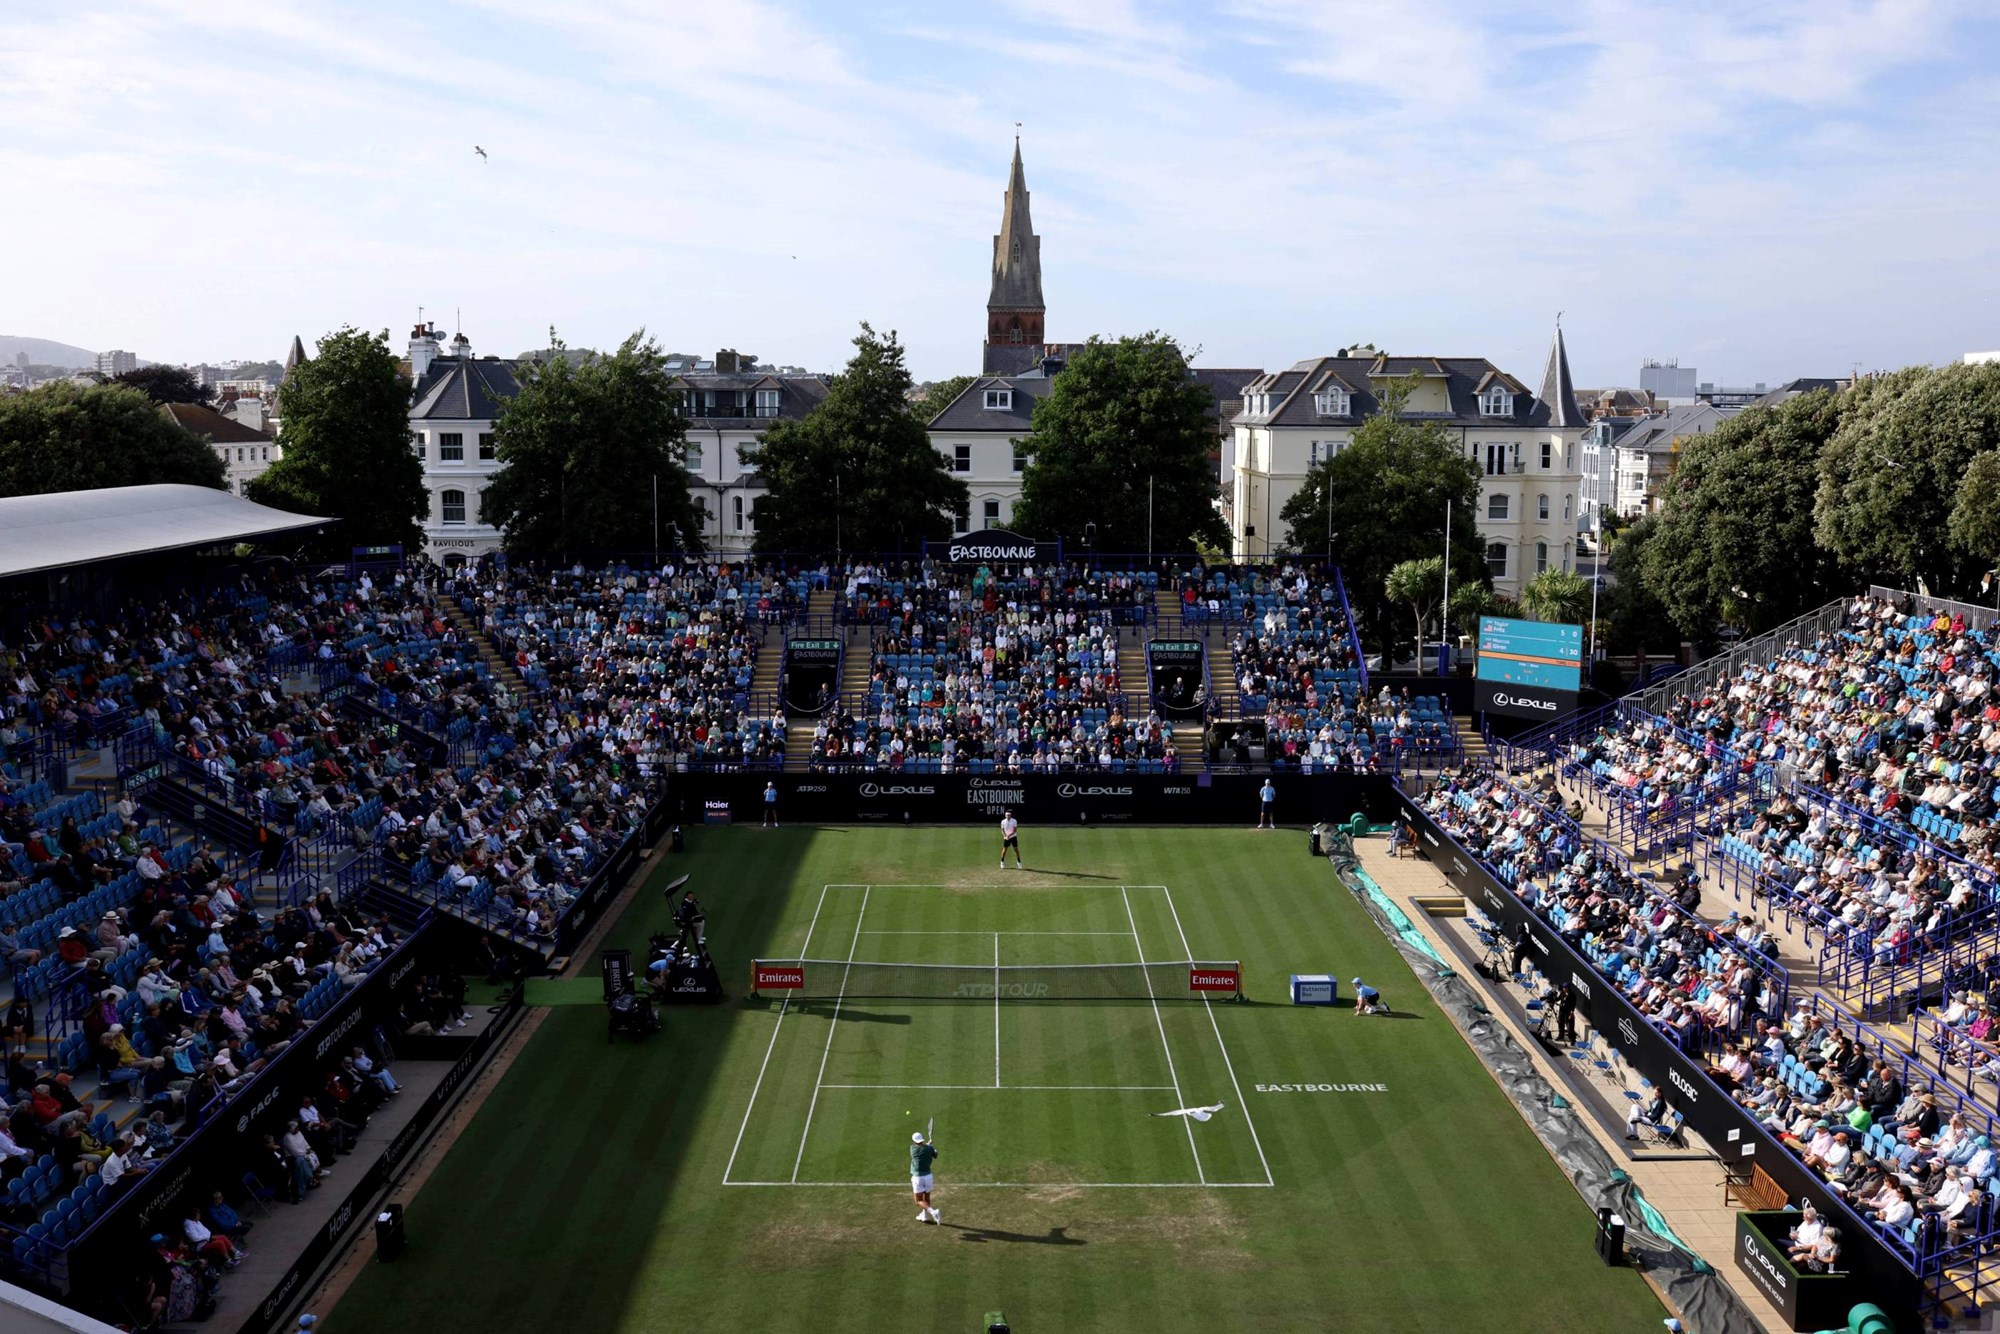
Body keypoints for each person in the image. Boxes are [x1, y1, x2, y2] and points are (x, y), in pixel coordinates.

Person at [910, 1130, 940, 1224]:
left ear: (914, 1141)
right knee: (927, 1197)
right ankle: (924, 1216)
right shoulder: (929, 1148)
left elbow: (922, 1148)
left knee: (918, 1200)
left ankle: (933, 1212)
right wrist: (934, 1149)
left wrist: (928, 1144)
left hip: (918, 1178)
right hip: (928, 1177)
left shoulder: (912, 1149)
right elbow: (935, 1155)